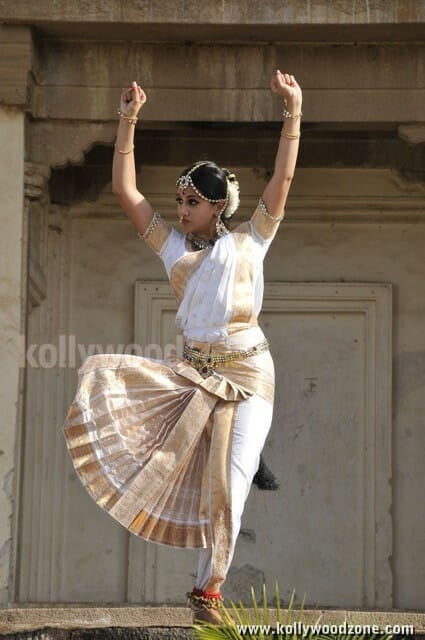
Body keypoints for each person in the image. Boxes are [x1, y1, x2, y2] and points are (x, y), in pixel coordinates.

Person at [62, 71, 302, 624]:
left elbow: (284, 180)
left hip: (251, 377)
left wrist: (293, 112)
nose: (181, 208)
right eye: (178, 200)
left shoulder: (251, 242)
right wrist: (127, 120)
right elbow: (126, 192)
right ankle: (206, 594)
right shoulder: (174, 252)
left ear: (217, 206)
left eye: (191, 201)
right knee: (207, 489)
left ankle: (208, 596)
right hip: (196, 379)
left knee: (232, 488)